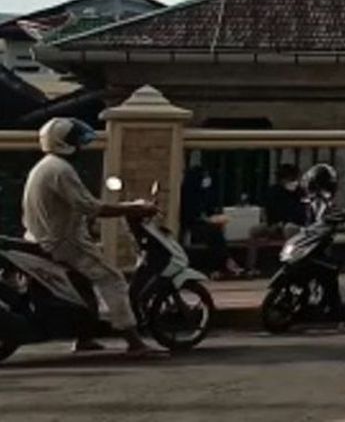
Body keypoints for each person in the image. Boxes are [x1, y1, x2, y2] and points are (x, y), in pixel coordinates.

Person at [21, 117, 159, 356]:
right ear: (65, 143)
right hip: (64, 242)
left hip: (40, 238)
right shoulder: (61, 170)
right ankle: (134, 342)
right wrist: (133, 208)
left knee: (83, 284)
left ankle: (84, 336)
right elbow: (91, 207)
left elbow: (74, 206)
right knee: (113, 278)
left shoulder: (45, 166)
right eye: (77, 141)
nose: (81, 146)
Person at [180, 166, 244, 279]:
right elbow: (189, 214)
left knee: (216, 234)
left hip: (205, 225)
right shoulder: (187, 193)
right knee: (214, 235)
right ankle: (224, 264)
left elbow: (208, 210)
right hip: (192, 225)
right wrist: (206, 219)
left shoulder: (203, 193)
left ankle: (225, 263)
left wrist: (213, 218)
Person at [246, 163, 307, 273]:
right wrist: (272, 223)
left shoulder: (300, 192)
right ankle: (251, 267)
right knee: (254, 230)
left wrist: (285, 222)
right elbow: (269, 211)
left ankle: (289, 262)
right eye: (290, 179)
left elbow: (301, 214)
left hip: (294, 226)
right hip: (275, 224)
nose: (293, 182)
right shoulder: (273, 192)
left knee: (289, 229)